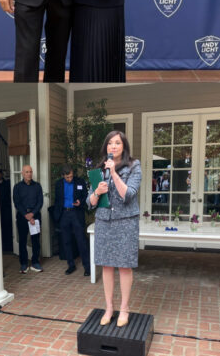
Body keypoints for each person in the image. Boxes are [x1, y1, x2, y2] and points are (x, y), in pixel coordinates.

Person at [88, 131, 141, 327]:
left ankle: (124, 309)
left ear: (124, 146)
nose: (113, 146)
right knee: (106, 265)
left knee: (124, 265)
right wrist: (97, 191)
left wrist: (113, 173)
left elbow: (128, 194)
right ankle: (109, 307)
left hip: (125, 222)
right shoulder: (98, 169)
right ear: (106, 147)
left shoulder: (134, 166)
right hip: (104, 221)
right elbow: (90, 202)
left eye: (117, 143)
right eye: (110, 143)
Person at [53, 164, 89, 276]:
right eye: (67, 177)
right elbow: (57, 200)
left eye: (71, 176)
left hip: (76, 214)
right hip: (64, 214)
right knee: (66, 241)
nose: (70, 179)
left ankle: (87, 267)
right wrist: (57, 215)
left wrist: (80, 202)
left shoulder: (80, 182)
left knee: (81, 241)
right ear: (63, 175)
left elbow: (86, 196)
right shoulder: (58, 184)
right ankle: (71, 265)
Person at [13, 165, 44, 273]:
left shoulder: (37, 186)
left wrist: (32, 214)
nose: (29, 174)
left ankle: (35, 262)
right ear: (22, 173)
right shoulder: (17, 187)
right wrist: (26, 215)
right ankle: (24, 264)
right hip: (22, 216)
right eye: (27, 172)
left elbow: (40, 202)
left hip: (35, 216)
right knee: (22, 240)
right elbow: (17, 203)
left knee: (35, 240)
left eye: (30, 172)